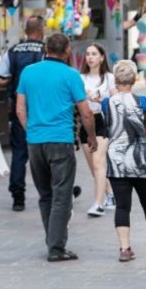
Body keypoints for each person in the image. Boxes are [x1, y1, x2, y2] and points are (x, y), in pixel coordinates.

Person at [17, 33, 97, 262]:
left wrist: (31, 131)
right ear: (67, 51)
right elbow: (86, 111)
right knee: (62, 195)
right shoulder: (71, 75)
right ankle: (56, 248)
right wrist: (91, 137)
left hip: (35, 141)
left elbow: (20, 110)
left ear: (46, 49)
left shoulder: (28, 72)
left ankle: (53, 240)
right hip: (60, 141)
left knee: (45, 195)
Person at [103, 60, 146, 262]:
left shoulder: (107, 103)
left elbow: (104, 124)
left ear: (115, 80)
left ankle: (125, 248)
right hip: (141, 160)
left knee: (122, 206)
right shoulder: (142, 102)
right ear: (134, 80)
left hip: (117, 161)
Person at [0, 15, 45, 212]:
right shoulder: (44, 51)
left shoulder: (13, 50)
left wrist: (15, 81)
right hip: (42, 108)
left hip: (19, 108)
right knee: (48, 151)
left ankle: (18, 196)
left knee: (19, 153)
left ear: (26, 30)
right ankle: (55, 189)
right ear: (41, 30)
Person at [80, 43, 117, 216]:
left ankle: (98, 204)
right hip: (85, 122)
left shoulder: (109, 77)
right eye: (88, 54)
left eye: (94, 53)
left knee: (98, 163)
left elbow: (117, 100)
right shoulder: (80, 78)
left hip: (102, 120)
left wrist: (101, 98)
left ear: (102, 57)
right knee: (94, 167)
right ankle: (110, 194)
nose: (90, 57)